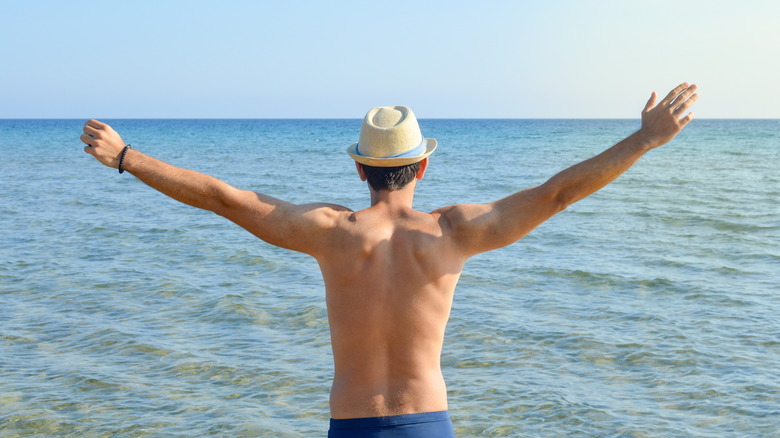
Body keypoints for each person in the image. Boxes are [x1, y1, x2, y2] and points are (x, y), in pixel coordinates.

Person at [82, 83, 698, 437]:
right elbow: (557, 194)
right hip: (428, 424)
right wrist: (646, 138)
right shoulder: (455, 232)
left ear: (358, 167)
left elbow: (226, 199)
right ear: (423, 164)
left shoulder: (329, 232)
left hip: (350, 426)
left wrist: (126, 156)